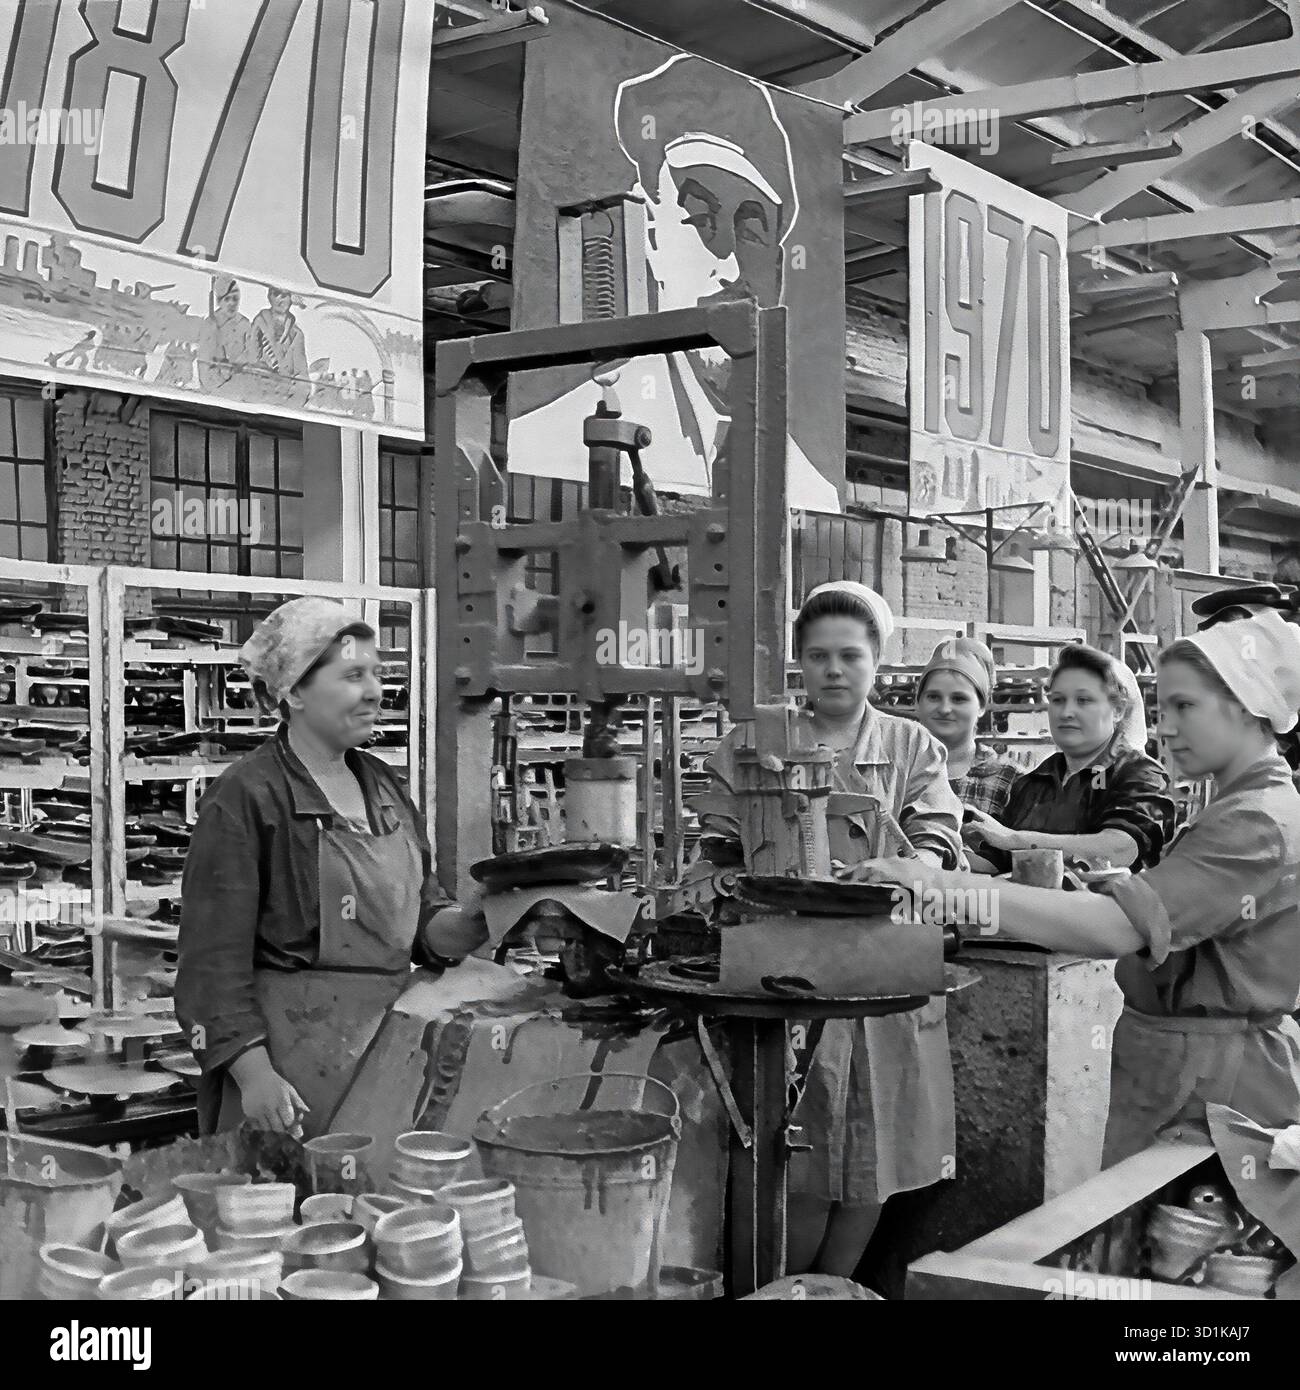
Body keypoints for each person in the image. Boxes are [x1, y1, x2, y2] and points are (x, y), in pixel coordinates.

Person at [847, 609, 1300, 1166]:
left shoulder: (1254, 822)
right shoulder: (1239, 806)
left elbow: (1115, 930)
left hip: (1213, 1083)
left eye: (1188, 708)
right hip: (1184, 1065)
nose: (1170, 728)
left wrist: (941, 884)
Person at [696, 581, 963, 1275]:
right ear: (800, 664)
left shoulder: (912, 746)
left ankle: (833, 1288)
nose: (834, 670)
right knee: (799, 1156)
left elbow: (938, 839)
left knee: (873, 1155)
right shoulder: (753, 744)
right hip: (785, 966)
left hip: (883, 969)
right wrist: (735, 880)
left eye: (850, 655)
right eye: (818, 657)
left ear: (878, 662)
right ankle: (780, 1287)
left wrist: (903, 868)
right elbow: (718, 844)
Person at [175, 598, 462, 1136]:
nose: (375, 691)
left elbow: (420, 918)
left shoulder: (383, 786)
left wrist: (476, 921)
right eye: (353, 675)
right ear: (295, 691)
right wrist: (253, 1073)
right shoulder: (245, 798)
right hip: (288, 1072)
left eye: (378, 674)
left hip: (385, 1061)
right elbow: (211, 963)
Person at [963, 643, 1173, 875]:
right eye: (1058, 700)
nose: (1066, 712)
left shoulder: (1140, 774)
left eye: (1083, 700)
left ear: (1118, 711)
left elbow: (1119, 849)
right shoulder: (1035, 781)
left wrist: (1013, 838)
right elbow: (998, 861)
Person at [914, 637, 1019, 819]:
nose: (944, 709)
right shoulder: (894, 773)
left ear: (982, 706)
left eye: (959, 698)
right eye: (933, 696)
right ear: (919, 701)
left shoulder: (1010, 780)